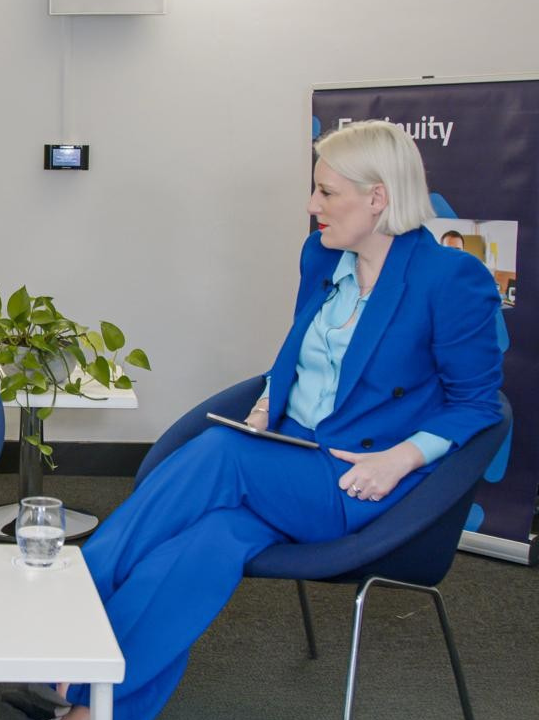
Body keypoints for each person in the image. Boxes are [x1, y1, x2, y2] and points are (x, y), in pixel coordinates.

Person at [52, 120, 503, 719]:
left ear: (378, 197)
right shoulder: (322, 255)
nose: (312, 205)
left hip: (357, 480)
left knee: (221, 453)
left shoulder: (449, 278)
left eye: (327, 192)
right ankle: (98, 708)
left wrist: (400, 459)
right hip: (287, 462)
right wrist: (268, 404)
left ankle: (64, 620)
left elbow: (478, 404)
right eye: (314, 190)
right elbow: (296, 355)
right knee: (206, 544)